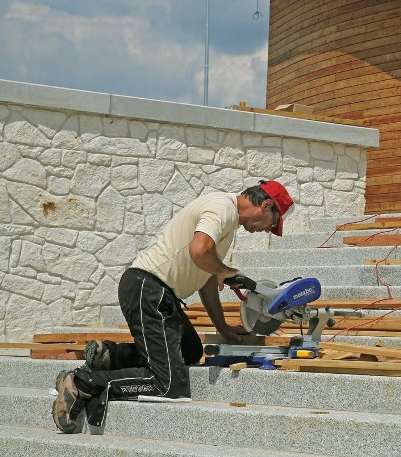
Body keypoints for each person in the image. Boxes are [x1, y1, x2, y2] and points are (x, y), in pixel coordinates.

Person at [52, 180, 294, 434]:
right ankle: (81, 383)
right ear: (266, 205)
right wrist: (226, 270)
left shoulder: (227, 221)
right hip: (149, 289)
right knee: (167, 384)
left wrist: (221, 325)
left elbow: (208, 277)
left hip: (157, 291)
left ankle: (110, 356)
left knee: (189, 351)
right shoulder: (222, 208)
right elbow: (199, 251)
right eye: (272, 224)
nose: (268, 230)